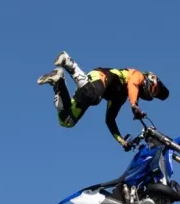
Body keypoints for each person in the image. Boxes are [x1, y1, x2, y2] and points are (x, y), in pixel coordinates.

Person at [37, 51, 169, 150]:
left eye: (155, 95)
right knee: (94, 98)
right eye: (155, 91)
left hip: (90, 89)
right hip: (100, 77)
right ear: (151, 79)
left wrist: (121, 140)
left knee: (67, 120)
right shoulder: (137, 75)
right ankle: (68, 63)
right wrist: (134, 106)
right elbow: (132, 83)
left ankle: (58, 81)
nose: (153, 94)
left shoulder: (120, 97)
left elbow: (110, 119)